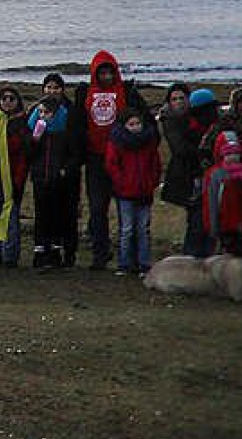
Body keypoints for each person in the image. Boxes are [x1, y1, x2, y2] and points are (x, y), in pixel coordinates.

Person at [72, 51, 147, 270]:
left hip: (123, 158)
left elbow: (145, 122)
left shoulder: (128, 93)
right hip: (95, 159)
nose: (106, 76)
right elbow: (77, 125)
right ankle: (100, 253)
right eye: (102, 72)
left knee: (128, 208)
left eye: (109, 72)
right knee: (97, 209)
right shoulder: (84, 94)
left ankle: (131, 256)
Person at [27, 82, 83, 268]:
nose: (44, 115)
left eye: (47, 113)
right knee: (41, 214)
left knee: (57, 215)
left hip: (58, 179)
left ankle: (55, 251)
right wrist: (35, 139)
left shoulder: (64, 130)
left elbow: (73, 152)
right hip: (40, 177)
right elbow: (28, 153)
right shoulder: (35, 128)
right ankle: (39, 251)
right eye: (41, 112)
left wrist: (65, 169)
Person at [105, 109, 161, 274]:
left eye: (138, 123)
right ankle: (124, 263)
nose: (135, 127)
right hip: (125, 192)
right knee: (127, 229)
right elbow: (111, 164)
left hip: (144, 191)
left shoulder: (149, 141)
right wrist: (121, 182)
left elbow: (155, 164)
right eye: (131, 124)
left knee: (143, 229)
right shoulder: (117, 141)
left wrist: (152, 182)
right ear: (124, 125)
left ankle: (144, 263)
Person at [158, 86, 211, 257]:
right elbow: (180, 149)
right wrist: (203, 151)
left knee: (205, 217)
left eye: (182, 98)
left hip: (200, 172)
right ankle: (192, 257)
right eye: (174, 99)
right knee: (196, 219)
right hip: (185, 175)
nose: (179, 102)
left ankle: (202, 255)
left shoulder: (198, 118)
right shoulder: (170, 120)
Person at [0, 86, 31, 268]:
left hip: (13, 176)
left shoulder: (22, 124)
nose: (7, 102)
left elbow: (23, 156)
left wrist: (18, 181)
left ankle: (9, 256)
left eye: (12, 98)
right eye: (4, 98)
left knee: (10, 218)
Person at [201, 132, 242, 257]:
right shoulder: (216, 175)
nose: (233, 157)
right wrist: (213, 227)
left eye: (236, 153)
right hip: (225, 225)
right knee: (228, 256)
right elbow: (212, 202)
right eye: (229, 154)